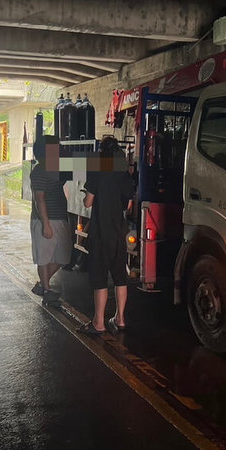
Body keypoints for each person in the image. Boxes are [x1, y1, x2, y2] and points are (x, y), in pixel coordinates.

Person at [79, 137, 134, 334]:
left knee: (100, 278)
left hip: (100, 232)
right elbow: (128, 204)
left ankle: (99, 323)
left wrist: (85, 195)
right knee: (120, 277)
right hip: (118, 232)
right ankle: (120, 319)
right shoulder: (124, 173)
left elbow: (87, 202)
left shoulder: (98, 170)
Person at [30, 135, 71, 304]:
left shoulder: (55, 168)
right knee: (44, 257)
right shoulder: (39, 170)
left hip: (60, 218)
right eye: (57, 147)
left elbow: (89, 168)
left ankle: (42, 284)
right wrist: (46, 224)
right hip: (46, 220)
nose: (59, 149)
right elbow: (40, 199)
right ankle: (47, 291)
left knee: (63, 257)